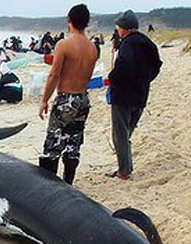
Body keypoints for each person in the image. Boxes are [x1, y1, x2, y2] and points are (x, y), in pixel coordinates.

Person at [38, 4, 97, 185]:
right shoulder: (92, 48)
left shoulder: (64, 44)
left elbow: (54, 75)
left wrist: (44, 100)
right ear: (86, 23)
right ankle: (68, 183)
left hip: (66, 98)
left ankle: (50, 187)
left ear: (69, 21)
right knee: (73, 144)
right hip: (82, 98)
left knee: (53, 145)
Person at [107, 10, 162, 180]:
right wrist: (145, 80)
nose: (118, 31)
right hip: (140, 95)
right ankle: (126, 166)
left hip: (124, 96)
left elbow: (124, 68)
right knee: (126, 132)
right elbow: (157, 65)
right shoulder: (147, 43)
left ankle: (124, 171)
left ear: (126, 29)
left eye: (119, 28)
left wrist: (112, 78)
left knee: (120, 134)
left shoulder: (128, 44)